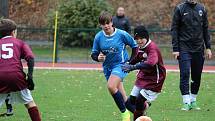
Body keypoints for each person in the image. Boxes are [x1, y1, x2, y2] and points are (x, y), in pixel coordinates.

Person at [91, 11, 138, 121]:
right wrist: (98, 58)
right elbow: (94, 53)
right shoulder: (98, 37)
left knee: (111, 86)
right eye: (103, 24)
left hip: (120, 65)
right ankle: (140, 114)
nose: (106, 26)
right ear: (100, 25)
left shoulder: (121, 34)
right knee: (123, 98)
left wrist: (130, 62)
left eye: (108, 23)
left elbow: (135, 47)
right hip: (107, 68)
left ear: (112, 22)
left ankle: (124, 114)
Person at [171, 0, 212, 111]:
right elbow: (174, 29)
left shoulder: (202, 8)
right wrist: (175, 48)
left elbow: (205, 29)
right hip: (184, 47)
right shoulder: (180, 8)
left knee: (196, 75)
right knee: (185, 73)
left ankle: (193, 100)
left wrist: (208, 47)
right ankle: (186, 102)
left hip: (199, 48)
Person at [121, 26, 166, 120]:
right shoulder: (140, 47)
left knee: (139, 101)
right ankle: (143, 112)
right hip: (143, 77)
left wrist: (133, 67)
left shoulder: (152, 48)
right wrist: (128, 63)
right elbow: (136, 58)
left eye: (141, 38)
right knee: (129, 103)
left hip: (154, 80)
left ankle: (139, 116)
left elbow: (151, 63)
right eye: (137, 39)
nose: (139, 41)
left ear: (147, 37)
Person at [0, 19, 41, 121]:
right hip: (17, 76)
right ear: (13, 32)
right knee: (29, 103)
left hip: (0, 76)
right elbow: (30, 58)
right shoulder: (20, 43)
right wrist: (30, 77)